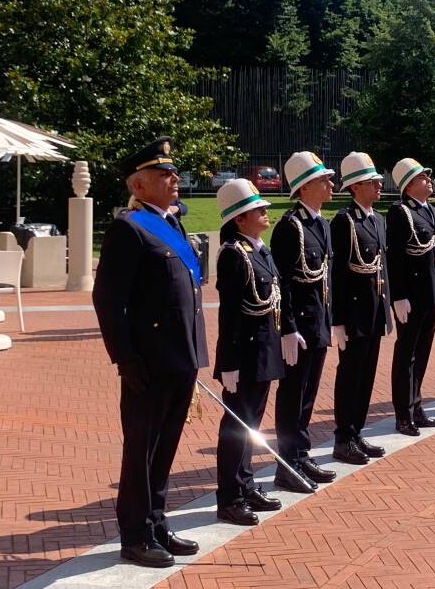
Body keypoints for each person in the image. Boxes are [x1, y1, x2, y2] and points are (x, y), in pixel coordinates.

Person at [92, 137, 208, 568]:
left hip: (181, 356)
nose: (173, 178)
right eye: (163, 174)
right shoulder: (129, 227)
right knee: (141, 448)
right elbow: (107, 298)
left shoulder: (172, 224)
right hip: (149, 360)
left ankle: (156, 521)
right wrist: (124, 357)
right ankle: (135, 534)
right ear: (139, 186)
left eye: (173, 172)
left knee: (165, 446)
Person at [213, 180, 284, 526]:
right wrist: (227, 363)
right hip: (242, 355)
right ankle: (229, 497)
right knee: (237, 426)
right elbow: (229, 314)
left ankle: (245, 483)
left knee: (252, 422)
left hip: (264, 350)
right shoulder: (232, 254)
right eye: (258, 209)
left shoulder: (260, 250)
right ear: (240, 219)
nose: (265, 212)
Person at [270, 152, 338, 492]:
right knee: (293, 394)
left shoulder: (321, 223)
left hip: (319, 323)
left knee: (308, 393)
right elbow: (283, 282)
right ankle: (288, 463)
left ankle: (301, 453)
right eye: (324, 179)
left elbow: (326, 278)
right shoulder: (289, 227)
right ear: (306, 185)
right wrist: (289, 328)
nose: (330, 184)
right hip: (299, 328)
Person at [330, 152, 391, 465]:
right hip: (353, 314)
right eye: (372, 181)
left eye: (378, 180)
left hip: (373, 311)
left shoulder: (376, 219)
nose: (378, 185)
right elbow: (338, 272)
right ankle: (343, 437)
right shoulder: (345, 221)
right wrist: (337, 319)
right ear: (354, 187)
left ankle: (357, 432)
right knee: (350, 375)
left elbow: (380, 269)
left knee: (366, 375)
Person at [388, 157, 435, 436]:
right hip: (410, 296)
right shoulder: (401, 213)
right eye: (423, 178)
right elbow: (396, 258)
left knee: (421, 353)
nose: (429, 181)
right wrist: (398, 295)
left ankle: (417, 406)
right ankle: (403, 413)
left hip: (430, 294)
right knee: (406, 355)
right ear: (409, 184)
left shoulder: (431, 212)